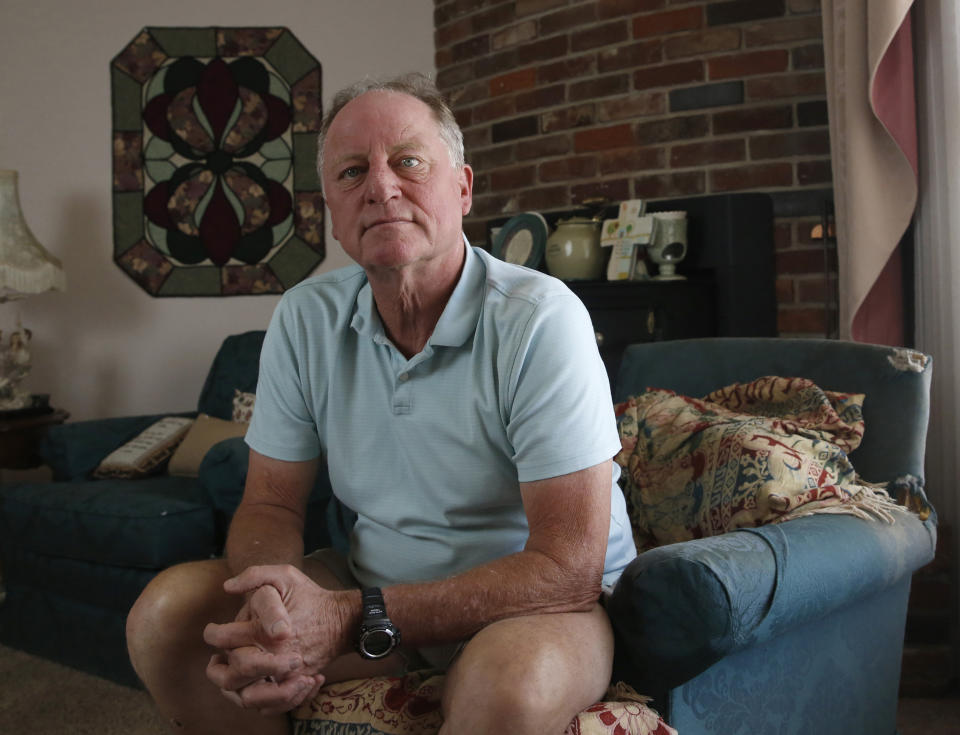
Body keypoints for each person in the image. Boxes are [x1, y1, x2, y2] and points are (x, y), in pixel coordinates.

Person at [126, 72, 636, 735]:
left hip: (537, 608)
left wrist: (346, 616)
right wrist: (273, 607)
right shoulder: (305, 319)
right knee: (168, 617)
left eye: (408, 162)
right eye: (350, 172)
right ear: (332, 213)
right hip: (373, 586)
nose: (381, 187)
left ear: (463, 187)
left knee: (509, 684)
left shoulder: (540, 318)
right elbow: (272, 503)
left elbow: (568, 569)